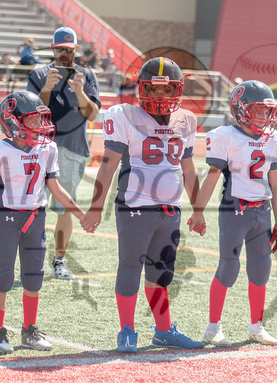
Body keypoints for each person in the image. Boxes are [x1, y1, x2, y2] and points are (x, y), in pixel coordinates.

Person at [80, 57, 205, 352]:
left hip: (170, 209)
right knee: (129, 269)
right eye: (153, 89)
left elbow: (188, 169)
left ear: (178, 90)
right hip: (135, 206)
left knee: (160, 275)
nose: (159, 96)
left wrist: (198, 208)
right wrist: (96, 207)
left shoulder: (186, 119)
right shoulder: (123, 115)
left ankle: (163, 331)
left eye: (166, 90)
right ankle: (126, 330)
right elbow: (108, 165)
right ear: (141, 89)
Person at [0, 91, 85, 354]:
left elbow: (56, 189)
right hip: (7, 218)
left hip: (36, 218)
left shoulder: (47, 148)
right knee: (3, 276)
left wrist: (82, 215)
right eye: (34, 120)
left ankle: (29, 329)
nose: (41, 126)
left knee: (34, 278)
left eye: (40, 119)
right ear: (13, 122)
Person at [188, 80, 277, 347]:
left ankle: (256, 327)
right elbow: (211, 178)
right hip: (235, 209)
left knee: (261, 269)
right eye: (259, 110)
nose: (265, 116)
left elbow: (275, 185)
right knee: (229, 268)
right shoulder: (224, 135)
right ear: (241, 109)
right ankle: (212, 328)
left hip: (262, 212)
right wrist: (198, 212)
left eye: (268, 111)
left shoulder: (274, 139)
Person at [27, 27, 101, 280]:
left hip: (71, 149)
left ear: (75, 50)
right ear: (53, 49)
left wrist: (80, 92)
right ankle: (32, 260)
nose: (64, 54)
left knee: (64, 209)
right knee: (31, 206)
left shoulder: (87, 75)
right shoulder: (38, 74)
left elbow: (93, 115)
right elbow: (31, 112)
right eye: (60, 49)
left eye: (68, 50)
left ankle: (59, 262)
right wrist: (47, 87)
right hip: (38, 148)